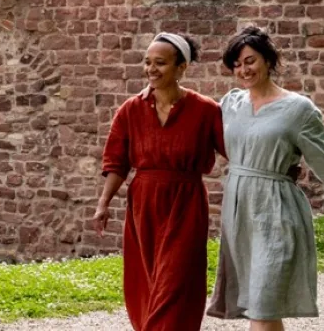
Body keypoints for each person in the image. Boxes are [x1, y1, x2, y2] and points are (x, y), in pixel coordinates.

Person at [207, 26, 324, 331]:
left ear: (269, 61)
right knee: (256, 302)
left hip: (277, 211)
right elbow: (194, 128)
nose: (243, 70)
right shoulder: (230, 104)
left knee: (264, 303)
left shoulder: (298, 110)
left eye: (250, 61)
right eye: (237, 64)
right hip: (239, 212)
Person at [92, 32, 226, 331]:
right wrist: (103, 205)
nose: (151, 69)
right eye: (147, 62)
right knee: (147, 281)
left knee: (176, 282)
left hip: (186, 202)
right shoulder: (131, 109)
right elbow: (116, 162)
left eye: (161, 63)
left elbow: (237, 152)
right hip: (143, 203)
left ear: (182, 68)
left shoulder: (207, 110)